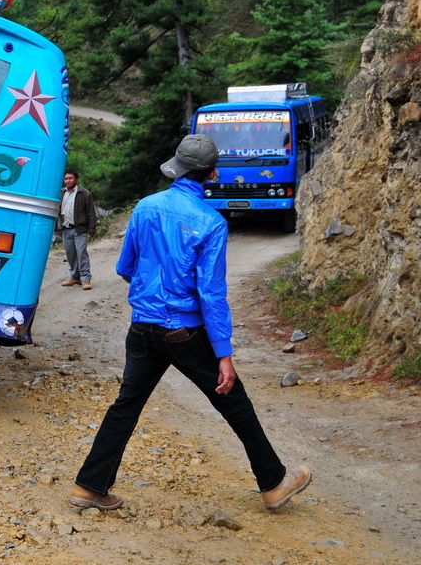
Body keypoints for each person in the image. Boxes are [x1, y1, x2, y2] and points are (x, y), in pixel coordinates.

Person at [69, 134, 311, 512]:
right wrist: (224, 354)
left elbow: (124, 268)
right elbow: (211, 294)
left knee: (125, 406)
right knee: (235, 404)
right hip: (184, 332)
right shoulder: (212, 223)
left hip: (142, 329)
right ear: (212, 174)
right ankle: (274, 484)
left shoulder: (146, 207)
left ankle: (90, 487)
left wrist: (154, 293)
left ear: (177, 167)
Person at [56, 170, 98, 289]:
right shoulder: (61, 193)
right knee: (71, 254)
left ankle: (86, 279)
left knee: (81, 254)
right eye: (66, 179)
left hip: (80, 229)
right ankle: (75, 277)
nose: (68, 181)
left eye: (70, 178)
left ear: (76, 180)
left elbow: (91, 212)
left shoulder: (84, 193)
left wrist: (92, 228)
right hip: (66, 228)